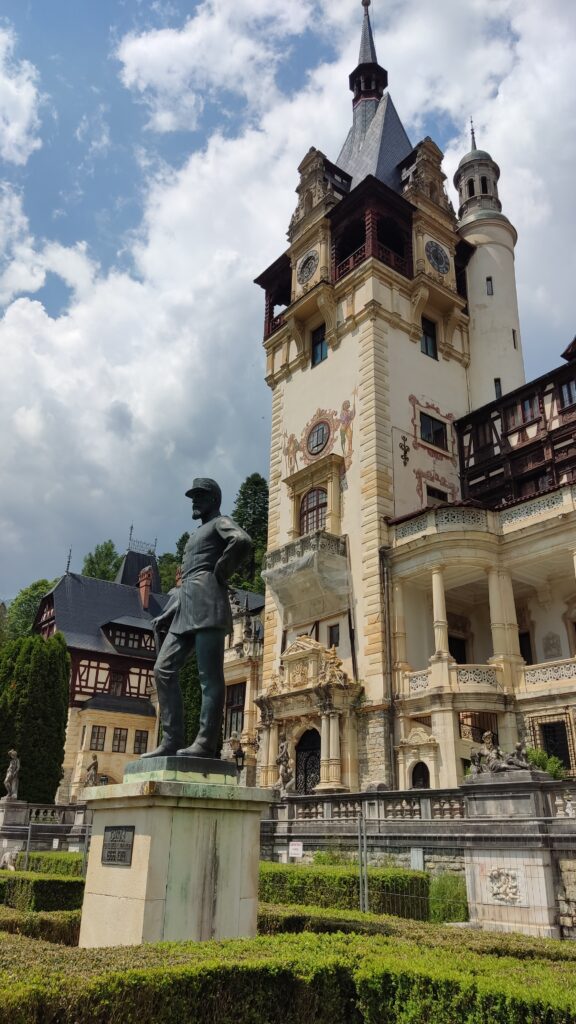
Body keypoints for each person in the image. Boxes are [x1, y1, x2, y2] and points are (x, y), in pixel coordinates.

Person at [143, 478, 252, 760]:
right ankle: (171, 739)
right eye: (193, 496)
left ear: (214, 499)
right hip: (185, 607)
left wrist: (221, 570)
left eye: (200, 496)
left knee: (209, 677)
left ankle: (204, 743)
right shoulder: (195, 534)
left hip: (208, 603)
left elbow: (241, 540)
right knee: (162, 670)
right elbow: (187, 579)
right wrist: (168, 610)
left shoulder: (220, 522)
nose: (194, 500)